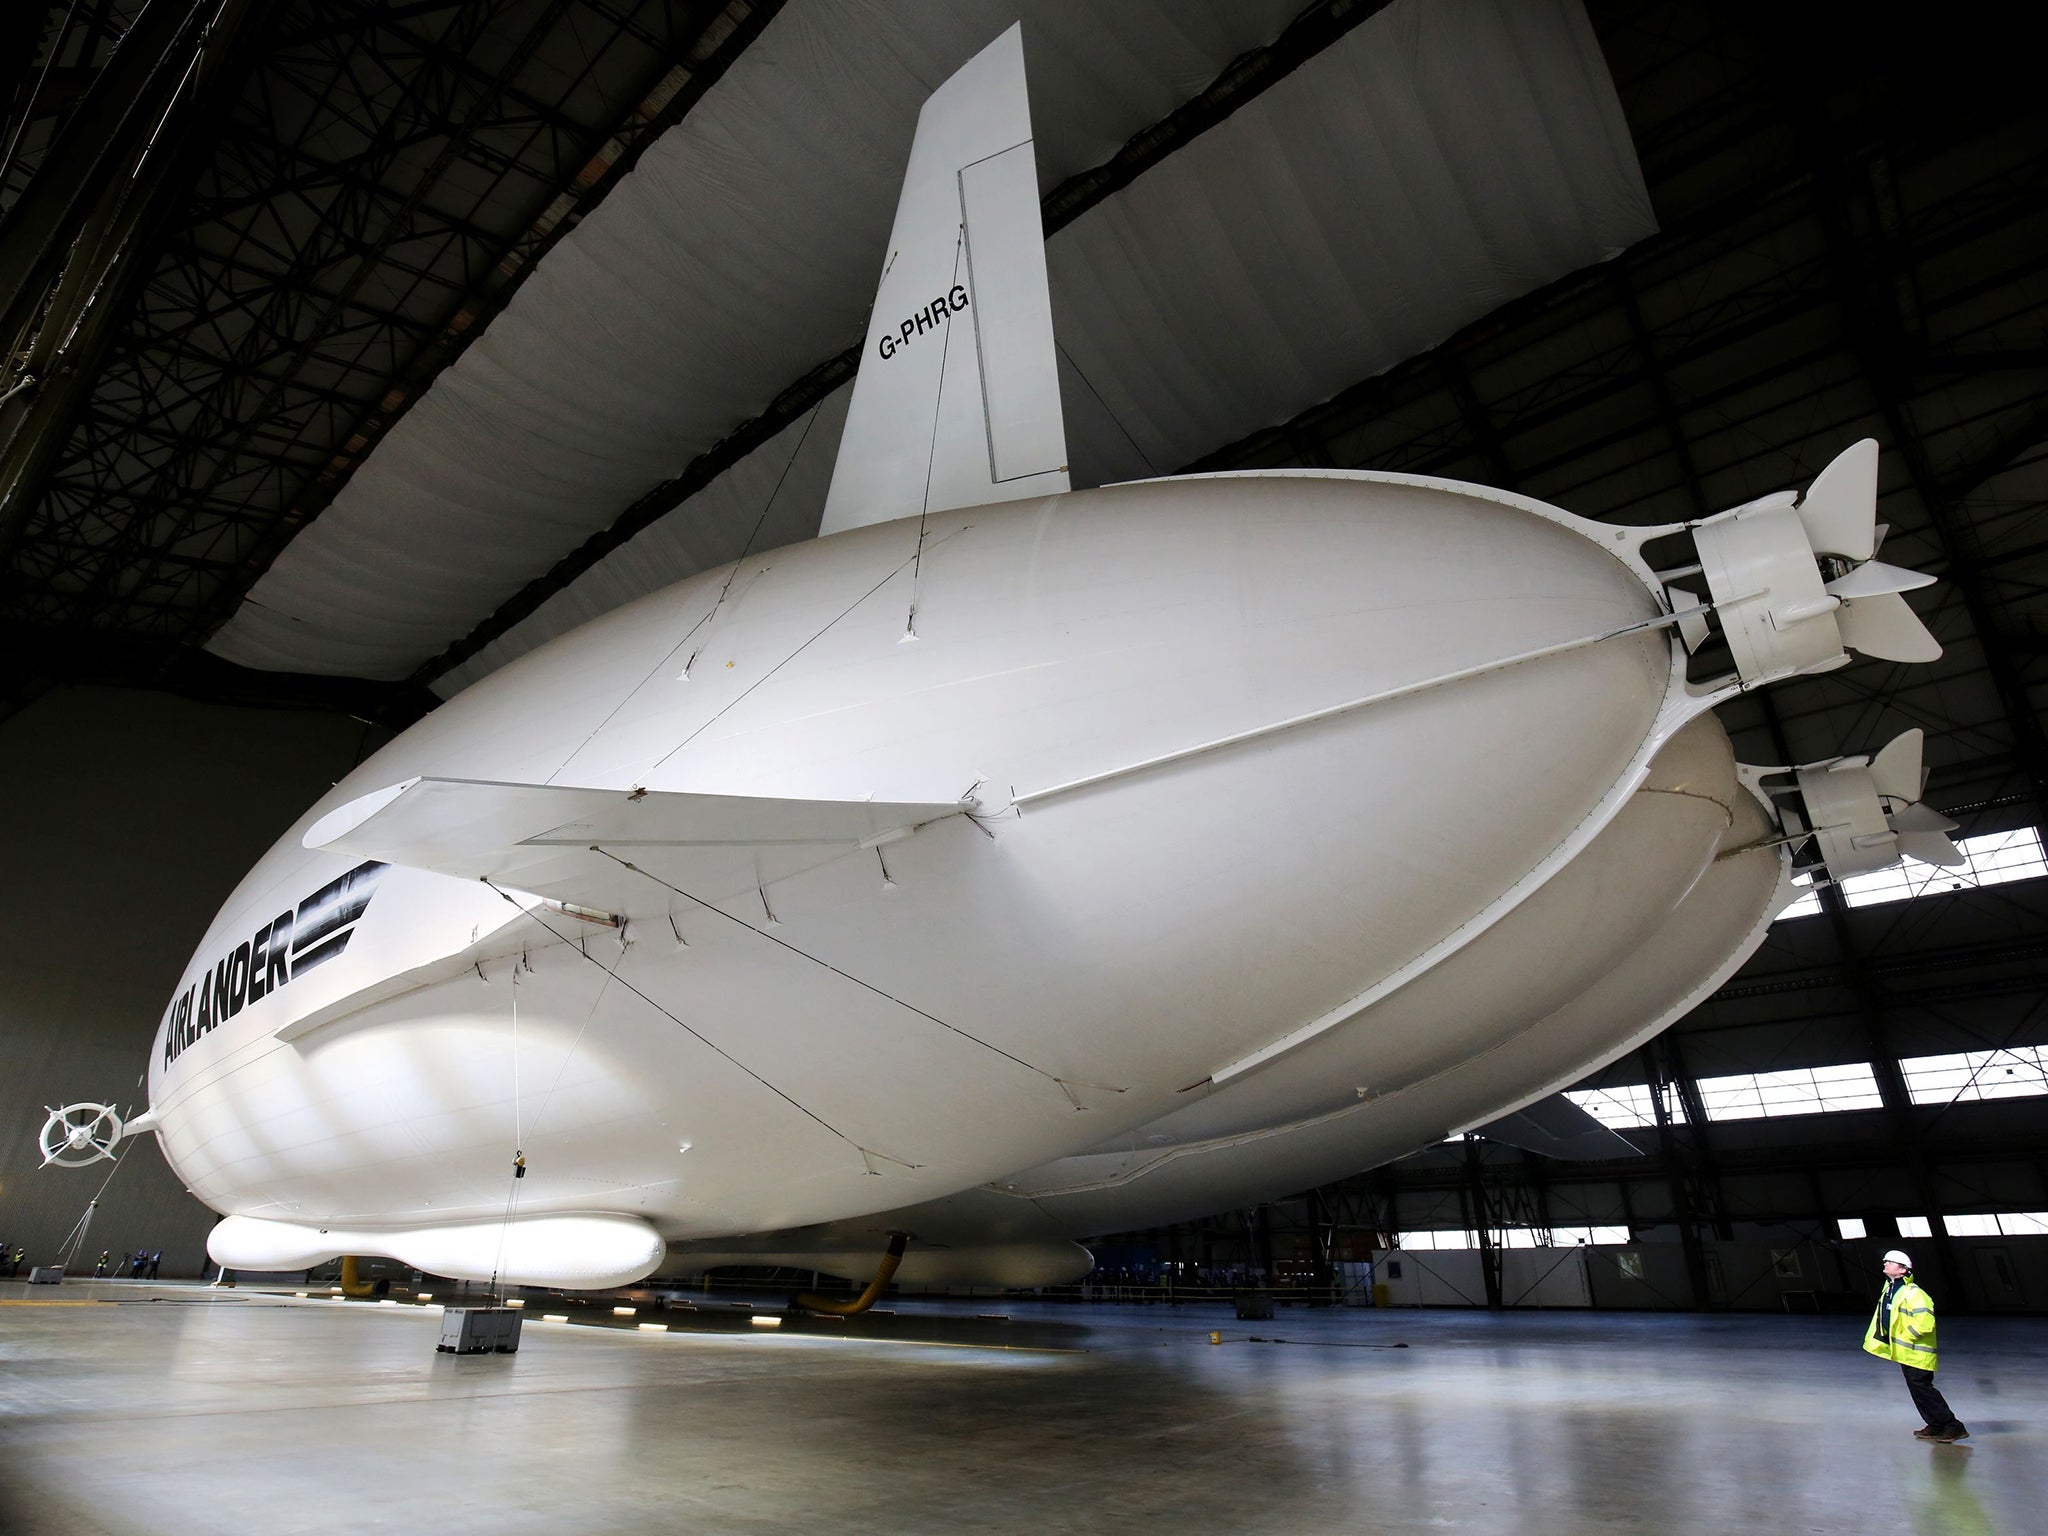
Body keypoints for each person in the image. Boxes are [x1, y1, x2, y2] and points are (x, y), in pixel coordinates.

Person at [1863, 1248, 1967, 1442]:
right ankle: (1936, 1425)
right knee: (1917, 1389)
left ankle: (1953, 1425)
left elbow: (1925, 1322)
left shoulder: (1914, 1293)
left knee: (1924, 1389)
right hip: (1905, 1353)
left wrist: (1908, 1336)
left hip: (1917, 1352)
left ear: (1902, 1270)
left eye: (1890, 1262)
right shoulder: (1891, 1290)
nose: (1885, 1264)